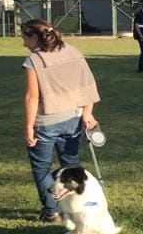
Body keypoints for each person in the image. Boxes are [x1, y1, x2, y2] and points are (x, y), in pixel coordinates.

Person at [21, 19, 100, 222]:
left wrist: (29, 127)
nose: (23, 43)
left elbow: (32, 97)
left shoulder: (34, 61)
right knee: (72, 165)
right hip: (72, 119)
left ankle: (51, 211)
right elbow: (88, 85)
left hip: (45, 122)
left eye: (24, 38)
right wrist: (87, 112)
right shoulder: (74, 52)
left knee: (41, 168)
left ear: (34, 37)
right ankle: (75, 209)